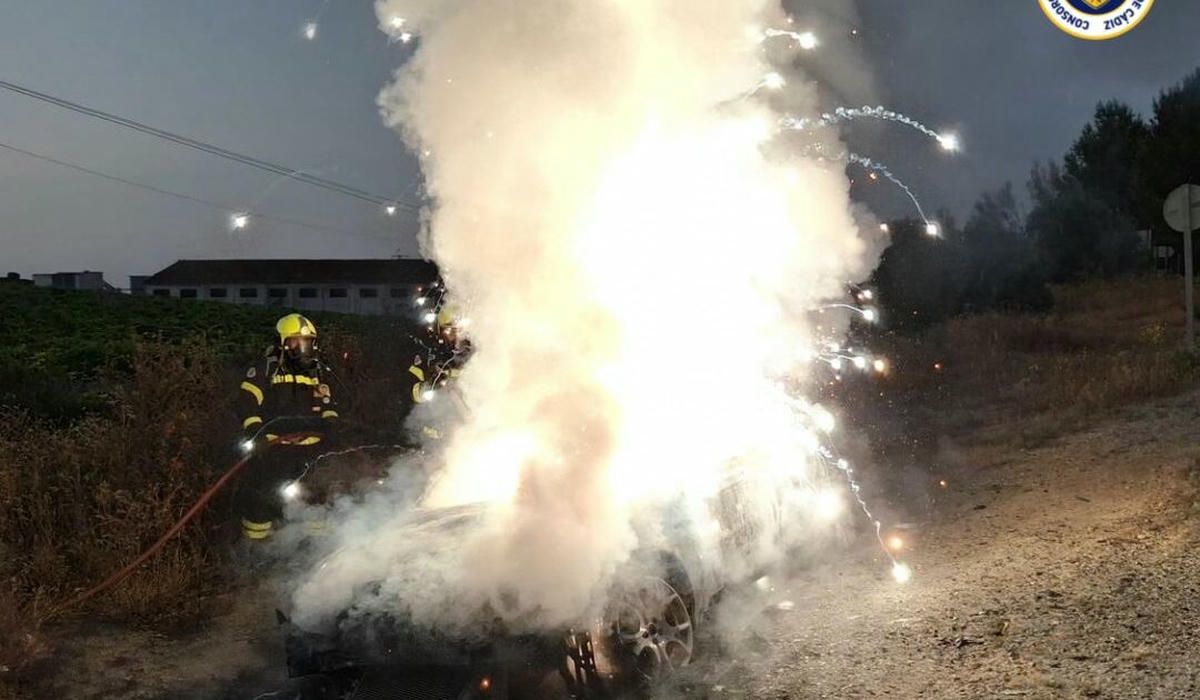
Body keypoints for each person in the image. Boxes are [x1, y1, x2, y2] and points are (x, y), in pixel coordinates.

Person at [236, 313, 338, 542]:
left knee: (316, 499)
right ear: (282, 343)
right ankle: (256, 549)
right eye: (296, 341)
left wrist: (331, 425)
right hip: (274, 449)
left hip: (310, 450)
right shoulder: (266, 370)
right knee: (263, 499)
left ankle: (313, 549)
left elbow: (328, 405)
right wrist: (257, 434)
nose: (303, 348)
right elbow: (246, 403)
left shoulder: (316, 374)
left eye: (308, 342)